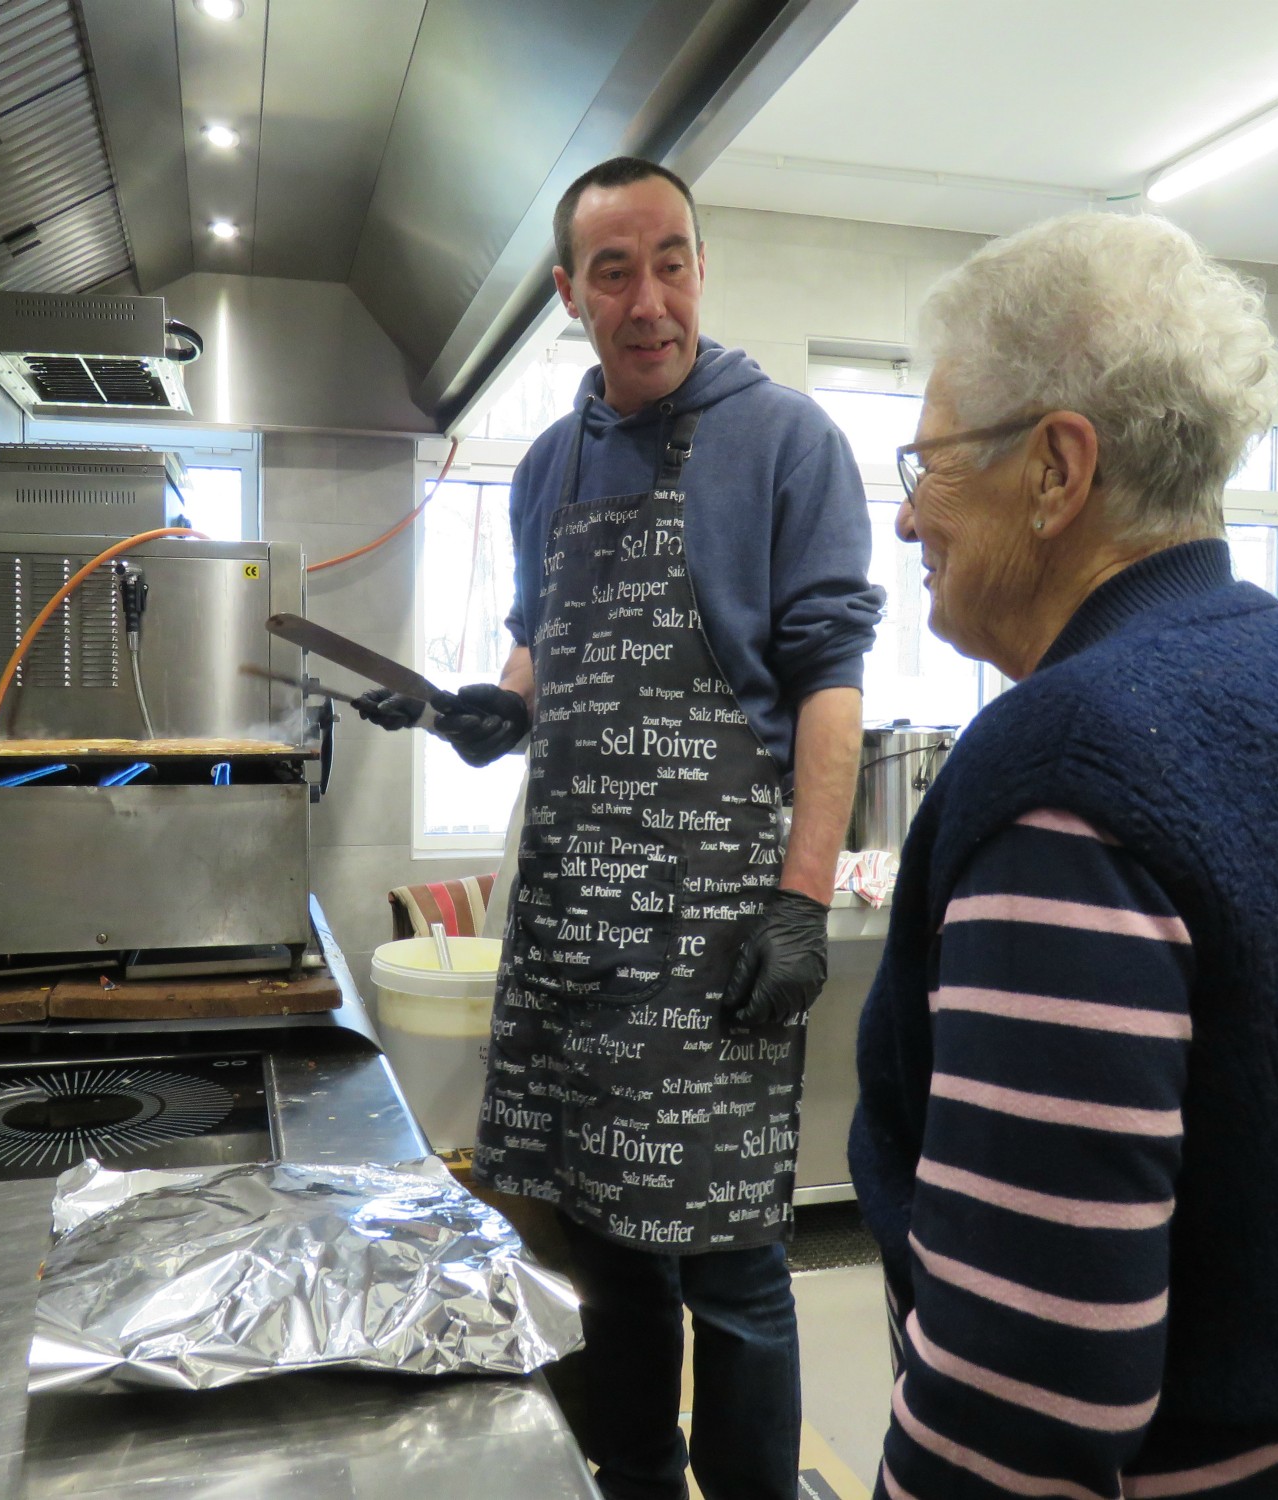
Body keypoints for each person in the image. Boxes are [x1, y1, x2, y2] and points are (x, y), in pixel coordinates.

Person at [850, 213, 1278, 1499]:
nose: (908, 518)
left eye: (926, 465)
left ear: (1054, 469)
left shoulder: (1068, 772)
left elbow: (1024, 1394)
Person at [356, 155, 882, 1500]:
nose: (650, 299)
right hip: (575, 927)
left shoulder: (789, 441)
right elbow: (546, 649)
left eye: (673, 261)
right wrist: (498, 708)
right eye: (614, 269)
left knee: (734, 1268)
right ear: (568, 293)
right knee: (609, 1251)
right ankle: (637, 1478)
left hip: (713, 933)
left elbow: (831, 681)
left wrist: (801, 900)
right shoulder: (548, 466)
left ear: (700, 266)